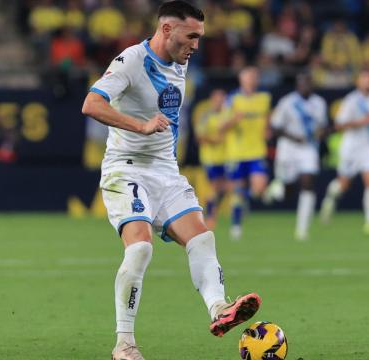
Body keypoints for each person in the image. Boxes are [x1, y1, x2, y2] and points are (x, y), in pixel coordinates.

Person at [81, 2, 261, 359]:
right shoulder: (130, 61)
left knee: (202, 238)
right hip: (126, 167)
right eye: (191, 36)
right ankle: (124, 344)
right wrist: (141, 125)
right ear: (166, 30)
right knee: (141, 247)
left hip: (165, 170)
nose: (196, 45)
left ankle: (218, 309)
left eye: (200, 37)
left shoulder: (181, 60)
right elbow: (91, 104)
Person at [264, 73, 328, 240]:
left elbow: (323, 126)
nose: (305, 86)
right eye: (302, 83)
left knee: (308, 182)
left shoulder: (319, 103)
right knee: (287, 189)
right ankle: (276, 188)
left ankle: (302, 228)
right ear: (298, 85)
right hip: (288, 147)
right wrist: (294, 137)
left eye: (308, 83)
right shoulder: (287, 102)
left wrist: (320, 134)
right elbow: (276, 128)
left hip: (308, 148)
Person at [319, 69, 369, 236]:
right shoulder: (351, 100)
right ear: (358, 82)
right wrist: (361, 122)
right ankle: (330, 199)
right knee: (343, 184)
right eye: (365, 78)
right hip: (351, 147)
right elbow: (339, 125)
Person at [222, 66, 272, 240]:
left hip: (257, 151)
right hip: (236, 152)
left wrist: (267, 130)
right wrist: (233, 120)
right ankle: (236, 226)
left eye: (254, 76)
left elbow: (267, 121)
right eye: (248, 76)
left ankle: (245, 199)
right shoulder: (232, 100)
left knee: (259, 188)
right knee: (237, 191)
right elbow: (222, 127)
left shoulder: (264, 98)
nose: (251, 79)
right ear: (241, 79)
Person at [194, 89, 231, 230]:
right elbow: (199, 137)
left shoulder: (227, 114)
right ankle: (210, 217)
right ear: (212, 99)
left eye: (222, 98)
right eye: (217, 98)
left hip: (226, 157)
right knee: (215, 187)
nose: (219, 101)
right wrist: (214, 140)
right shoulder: (206, 115)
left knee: (224, 188)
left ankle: (211, 213)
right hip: (210, 158)